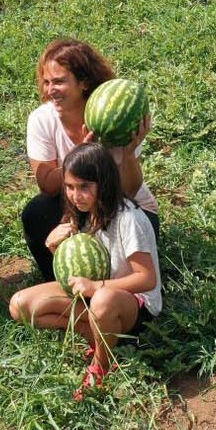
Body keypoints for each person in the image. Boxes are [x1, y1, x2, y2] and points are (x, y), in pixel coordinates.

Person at [8, 143, 162, 400]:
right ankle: (102, 335)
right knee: (20, 306)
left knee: (102, 300)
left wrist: (96, 287)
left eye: (84, 187)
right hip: (96, 296)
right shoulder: (80, 214)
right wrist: (53, 247)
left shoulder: (129, 219)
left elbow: (146, 278)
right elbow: (73, 268)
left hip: (134, 304)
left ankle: (102, 365)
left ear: (104, 183)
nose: (75, 195)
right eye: (69, 187)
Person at [21, 38, 158, 281]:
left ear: (83, 82)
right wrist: (81, 151)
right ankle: (60, 282)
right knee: (37, 211)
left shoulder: (112, 117)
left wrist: (127, 153)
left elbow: (128, 191)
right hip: (76, 205)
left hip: (124, 208)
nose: (50, 89)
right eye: (46, 82)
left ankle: (117, 289)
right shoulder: (42, 120)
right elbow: (47, 185)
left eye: (59, 81)